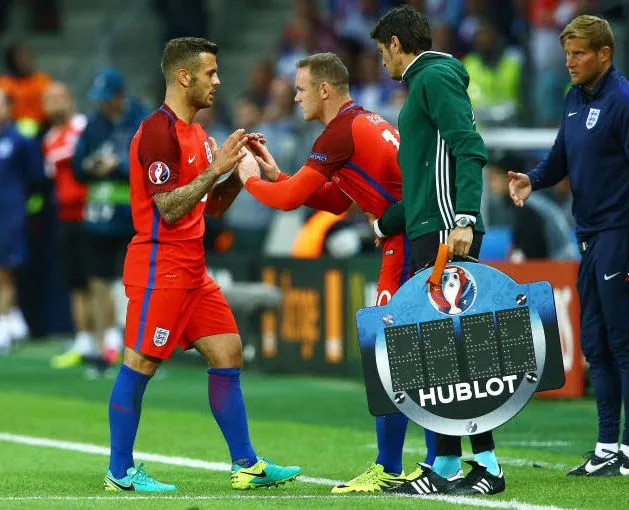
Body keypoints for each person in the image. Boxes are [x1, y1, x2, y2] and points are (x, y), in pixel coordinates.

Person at [103, 36, 300, 492]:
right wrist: (215, 170)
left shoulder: (198, 135)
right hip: (160, 265)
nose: (218, 81)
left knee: (228, 350)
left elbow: (210, 208)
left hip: (193, 267)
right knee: (140, 362)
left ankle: (246, 465)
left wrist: (237, 168)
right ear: (184, 76)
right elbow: (169, 207)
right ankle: (120, 470)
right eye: (210, 73)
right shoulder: (158, 131)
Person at [235, 52, 436, 493]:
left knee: (395, 353)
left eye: (301, 88)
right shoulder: (362, 122)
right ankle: (416, 465)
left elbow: (287, 201)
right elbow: (336, 200)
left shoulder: (340, 131)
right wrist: (280, 174)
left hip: (404, 245)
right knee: (411, 351)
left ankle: (398, 468)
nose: (295, 95)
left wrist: (251, 179)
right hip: (412, 239)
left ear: (325, 89)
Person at [508, 15, 629, 477]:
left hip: (620, 235)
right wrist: (532, 179)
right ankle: (605, 448)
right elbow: (561, 156)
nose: (570, 63)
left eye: (579, 54)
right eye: (567, 54)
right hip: (591, 237)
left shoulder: (626, 102)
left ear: (604, 55)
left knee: (626, 342)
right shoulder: (575, 97)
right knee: (596, 344)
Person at [369, 6, 504, 496]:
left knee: (457, 353)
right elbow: (428, 176)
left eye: (383, 50)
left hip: (449, 230)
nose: (381, 62)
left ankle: (483, 465)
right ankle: (450, 463)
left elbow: (468, 145)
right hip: (433, 226)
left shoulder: (435, 78)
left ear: (399, 43)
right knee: (442, 352)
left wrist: (464, 218)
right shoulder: (424, 85)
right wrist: (390, 221)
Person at [73, 68, 148, 373]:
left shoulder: (140, 120)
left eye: (107, 99)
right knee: (98, 281)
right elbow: (78, 167)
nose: (102, 105)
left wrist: (118, 166)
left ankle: (141, 351)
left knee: (136, 284)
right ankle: (106, 349)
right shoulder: (93, 126)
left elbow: (150, 164)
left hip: (133, 216)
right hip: (98, 218)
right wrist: (92, 166)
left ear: (120, 96)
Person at [42, 82, 96, 368]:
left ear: (69, 99)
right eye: (47, 100)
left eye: (56, 98)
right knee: (75, 282)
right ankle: (84, 340)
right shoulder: (49, 137)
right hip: (65, 216)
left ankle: (106, 342)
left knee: (96, 280)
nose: (51, 105)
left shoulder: (81, 127)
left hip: (89, 214)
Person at [0, 89, 41, 352]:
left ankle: (4, 325)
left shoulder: (19, 139)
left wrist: (25, 207)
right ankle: (14, 321)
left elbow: (36, 175)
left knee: (5, 270)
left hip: (11, 214)